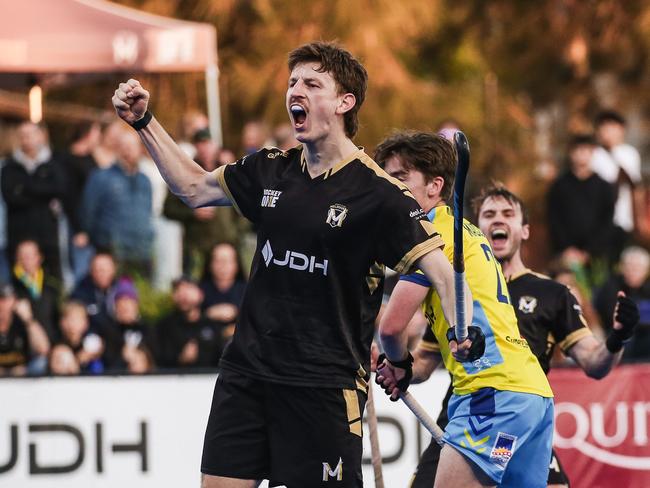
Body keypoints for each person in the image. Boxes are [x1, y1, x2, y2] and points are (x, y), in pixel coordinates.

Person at [112, 41, 468, 488]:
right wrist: (144, 122)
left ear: (344, 102)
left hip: (323, 386)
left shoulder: (380, 194)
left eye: (312, 83)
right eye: (293, 81)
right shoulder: (270, 168)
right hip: (247, 373)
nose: (295, 90)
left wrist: (461, 331)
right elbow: (193, 187)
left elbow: (441, 271)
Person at [408, 182, 640, 488]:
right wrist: (388, 363)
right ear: (477, 230)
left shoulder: (552, 292)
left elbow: (595, 363)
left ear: (525, 230)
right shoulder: (456, 286)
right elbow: (422, 363)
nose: (499, 219)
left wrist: (617, 338)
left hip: (514, 419)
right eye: (489, 214)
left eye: (508, 213)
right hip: (465, 415)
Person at [374, 131, 554, 488]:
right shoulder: (471, 234)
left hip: (491, 393)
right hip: (533, 395)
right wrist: (407, 366)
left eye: (400, 179)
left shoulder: (429, 235)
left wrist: (397, 362)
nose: (389, 190)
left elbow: (392, 327)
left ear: (435, 185)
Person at [80, 128, 154, 279]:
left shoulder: (145, 181)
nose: (128, 151)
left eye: (132, 146)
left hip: (142, 252)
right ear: (117, 149)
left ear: (140, 149)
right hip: (112, 252)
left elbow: (148, 213)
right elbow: (88, 212)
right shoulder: (100, 177)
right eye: (123, 146)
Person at [1, 121, 65, 280]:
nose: (26, 140)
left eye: (29, 135)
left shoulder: (53, 165)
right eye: (22, 136)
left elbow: (59, 190)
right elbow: (11, 197)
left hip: (47, 237)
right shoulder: (9, 167)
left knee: (51, 281)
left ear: (40, 137)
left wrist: (25, 188)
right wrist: (42, 192)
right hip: (19, 236)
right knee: (19, 281)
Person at [591, 110, 642, 254]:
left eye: (611, 127)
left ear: (621, 129)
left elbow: (635, 187)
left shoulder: (630, 153)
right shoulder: (593, 154)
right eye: (602, 127)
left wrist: (638, 221)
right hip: (598, 220)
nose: (606, 131)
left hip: (624, 219)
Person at [594, 246, 650, 362]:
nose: (633, 271)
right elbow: (610, 317)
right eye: (629, 266)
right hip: (616, 335)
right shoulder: (610, 287)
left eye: (638, 268)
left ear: (646, 270)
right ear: (622, 267)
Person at [156, 275, 224, 369]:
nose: (183, 294)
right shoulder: (164, 327)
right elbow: (158, 361)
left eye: (188, 288)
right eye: (178, 290)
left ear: (200, 294)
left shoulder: (213, 326)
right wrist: (180, 359)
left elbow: (222, 359)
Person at [11, 239, 61, 343]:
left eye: (30, 255)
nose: (27, 259)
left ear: (39, 257)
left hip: (52, 342)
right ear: (17, 259)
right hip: (22, 345)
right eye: (23, 255)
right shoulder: (10, 286)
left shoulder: (52, 283)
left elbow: (59, 315)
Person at [199, 243, 247, 341]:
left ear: (237, 264)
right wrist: (207, 314)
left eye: (228, 261)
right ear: (210, 264)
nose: (223, 266)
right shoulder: (199, 291)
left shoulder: (247, 291)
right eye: (218, 261)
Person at [0, 283, 50, 376]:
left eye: (5, 300)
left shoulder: (22, 320)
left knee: (41, 363)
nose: (1, 305)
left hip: (24, 372)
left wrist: (28, 319)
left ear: (14, 301)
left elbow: (43, 349)